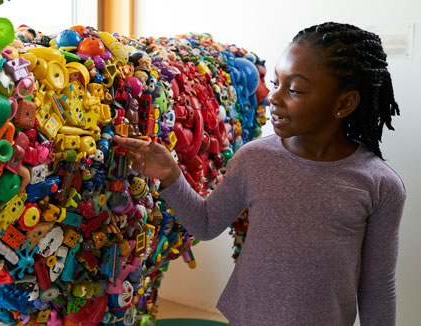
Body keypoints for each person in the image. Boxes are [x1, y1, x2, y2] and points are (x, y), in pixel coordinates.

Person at [114, 22, 406, 326]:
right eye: (277, 83)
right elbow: (206, 223)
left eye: (294, 90)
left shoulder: (380, 185)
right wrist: (171, 175)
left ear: (344, 103)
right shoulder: (254, 159)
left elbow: (378, 286)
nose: (274, 98)